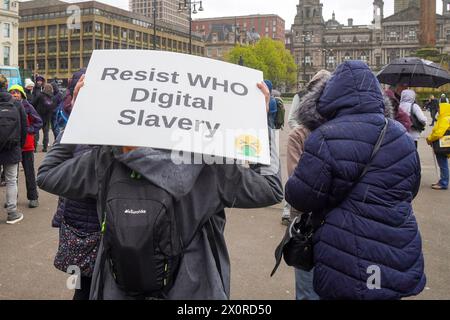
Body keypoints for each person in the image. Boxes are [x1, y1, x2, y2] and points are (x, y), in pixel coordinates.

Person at [37, 79, 283, 300]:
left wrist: (79, 120)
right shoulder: (210, 166)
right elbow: (271, 188)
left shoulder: (108, 158)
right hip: (195, 287)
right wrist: (262, 126)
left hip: (117, 285)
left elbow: (48, 174)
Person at [285, 61, 426, 300]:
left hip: (345, 249)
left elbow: (300, 197)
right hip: (394, 247)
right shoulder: (400, 135)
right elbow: (410, 188)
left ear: (331, 96)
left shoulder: (324, 137)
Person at [286, 69, 331, 300]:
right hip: (307, 225)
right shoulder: (299, 136)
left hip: (335, 226)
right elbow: (296, 188)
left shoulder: (341, 131)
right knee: (307, 291)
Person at [8, 85, 43, 208]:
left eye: (17, 92)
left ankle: (33, 197)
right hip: (13, 146)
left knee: (29, 173)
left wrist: (28, 130)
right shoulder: (8, 106)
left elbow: (39, 122)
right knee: (13, 175)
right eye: (12, 93)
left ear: (22, 94)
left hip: (27, 146)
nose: (15, 95)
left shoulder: (28, 106)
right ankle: (12, 199)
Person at [0, 74, 28, 224]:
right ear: (6, 86)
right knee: (11, 180)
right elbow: (24, 127)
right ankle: (12, 213)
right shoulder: (16, 103)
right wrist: (20, 146)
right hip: (12, 148)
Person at [426, 101, 450, 190]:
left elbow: (439, 133)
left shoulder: (444, 119)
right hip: (444, 144)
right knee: (443, 164)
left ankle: (443, 183)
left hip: (442, 145)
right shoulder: (445, 117)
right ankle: (442, 181)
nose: (438, 109)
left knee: (443, 164)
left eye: (440, 108)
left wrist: (429, 138)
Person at [32, 83, 55, 152]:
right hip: (47, 118)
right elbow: (53, 107)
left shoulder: (40, 95)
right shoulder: (52, 97)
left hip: (38, 116)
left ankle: (35, 148)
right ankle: (45, 148)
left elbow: (33, 103)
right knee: (46, 133)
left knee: (36, 133)